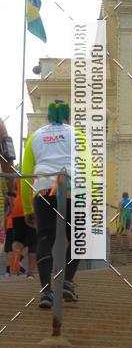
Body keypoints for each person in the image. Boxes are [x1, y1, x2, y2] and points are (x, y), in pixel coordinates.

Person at [21, 100, 80, 308]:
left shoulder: (35, 136)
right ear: (68, 116)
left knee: (45, 238)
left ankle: (46, 292)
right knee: (78, 238)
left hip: (44, 189)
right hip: (71, 189)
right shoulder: (77, 134)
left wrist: (27, 208)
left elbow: (26, 174)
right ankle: (67, 282)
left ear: (48, 116)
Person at [10, 180, 37, 277]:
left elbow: (13, 189)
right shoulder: (39, 174)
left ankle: (15, 267)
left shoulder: (19, 176)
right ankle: (30, 272)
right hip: (32, 207)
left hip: (17, 208)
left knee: (18, 239)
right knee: (33, 242)